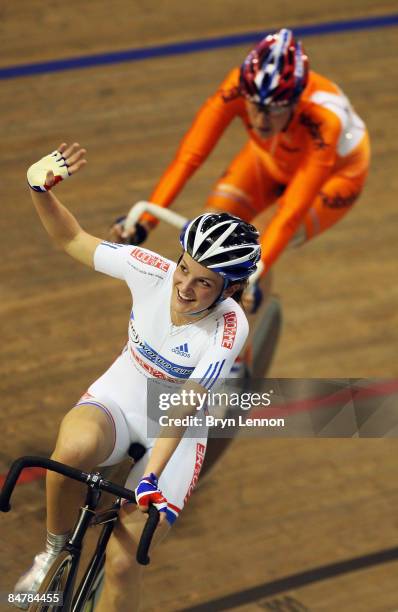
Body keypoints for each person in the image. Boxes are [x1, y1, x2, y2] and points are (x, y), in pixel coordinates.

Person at [13, 143, 261, 610]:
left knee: (124, 564)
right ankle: (50, 555)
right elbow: (73, 240)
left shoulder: (231, 327)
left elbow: (186, 402)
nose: (184, 288)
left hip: (175, 432)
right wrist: (38, 191)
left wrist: (151, 475)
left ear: (230, 288)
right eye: (184, 270)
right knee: (70, 451)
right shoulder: (151, 271)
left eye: (203, 282)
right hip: (120, 398)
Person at [111, 27, 370, 314]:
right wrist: (146, 222)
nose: (260, 119)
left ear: (295, 102)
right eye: (254, 107)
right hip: (269, 159)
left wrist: (256, 273)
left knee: (249, 245)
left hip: (335, 177)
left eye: (274, 110)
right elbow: (189, 158)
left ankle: (240, 351)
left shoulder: (325, 120)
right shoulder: (237, 86)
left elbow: (289, 215)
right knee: (208, 233)